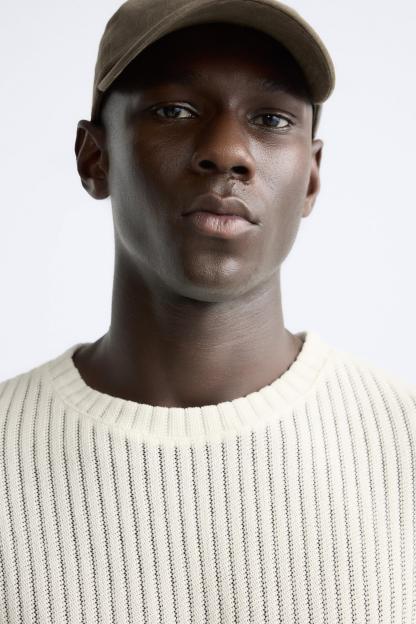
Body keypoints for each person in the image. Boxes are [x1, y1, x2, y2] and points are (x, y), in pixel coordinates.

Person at [1, 0, 415, 622]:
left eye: (271, 119)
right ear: (94, 157)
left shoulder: (404, 446)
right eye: (174, 110)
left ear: (311, 177)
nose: (227, 152)